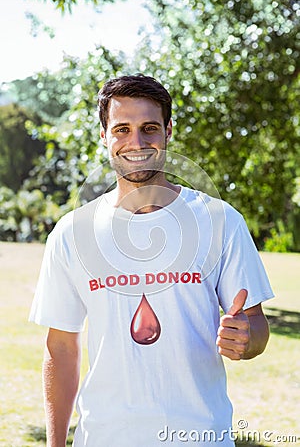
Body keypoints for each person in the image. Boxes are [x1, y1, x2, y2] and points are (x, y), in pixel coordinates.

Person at [29, 74, 274, 447]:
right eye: (122, 129)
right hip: (104, 438)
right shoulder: (72, 232)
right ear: (104, 135)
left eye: (149, 128)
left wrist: (247, 338)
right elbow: (61, 348)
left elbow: (256, 325)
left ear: (168, 131)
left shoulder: (219, 220)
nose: (136, 142)